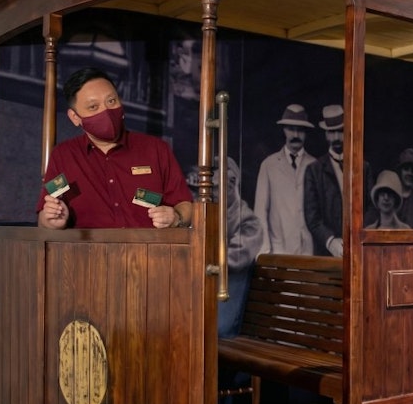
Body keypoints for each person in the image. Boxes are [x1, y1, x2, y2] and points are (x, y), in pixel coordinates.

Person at [37, 67, 193, 229]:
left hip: (149, 251)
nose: (106, 111)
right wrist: (51, 220)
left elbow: (186, 205)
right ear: (75, 117)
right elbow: (44, 217)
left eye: (111, 101)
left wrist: (176, 217)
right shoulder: (64, 156)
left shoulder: (156, 149)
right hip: (85, 252)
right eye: (93, 107)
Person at [185, 157, 263, 338]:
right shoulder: (207, 214)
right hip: (203, 294)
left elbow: (233, 260)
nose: (207, 194)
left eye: (215, 188)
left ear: (232, 184)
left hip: (226, 296)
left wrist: (196, 259)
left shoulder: (248, 222)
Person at [254, 103, 317, 255]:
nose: (295, 135)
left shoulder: (315, 165)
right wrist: (265, 251)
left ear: (306, 133)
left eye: (300, 130)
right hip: (278, 251)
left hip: (309, 252)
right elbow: (260, 211)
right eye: (291, 129)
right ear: (284, 130)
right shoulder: (269, 165)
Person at [304, 104, 347, 256]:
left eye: (340, 131)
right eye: (331, 132)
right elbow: (312, 217)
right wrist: (330, 241)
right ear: (325, 135)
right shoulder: (313, 171)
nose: (336, 138)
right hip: (326, 252)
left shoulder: (363, 167)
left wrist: (357, 237)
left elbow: (371, 208)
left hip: (358, 248)